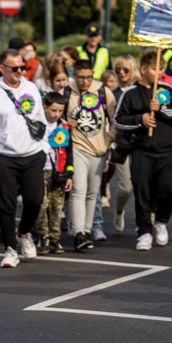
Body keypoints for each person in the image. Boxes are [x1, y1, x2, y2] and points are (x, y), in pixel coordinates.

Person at [0, 48, 50, 269]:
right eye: (14, 68)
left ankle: (24, 232)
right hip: (4, 156)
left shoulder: (31, 88)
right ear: (2, 68)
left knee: (35, 200)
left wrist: (44, 149)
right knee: (6, 205)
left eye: (22, 67)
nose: (19, 71)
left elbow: (40, 121)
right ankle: (10, 249)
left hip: (32, 154)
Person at [114, 48, 172, 251]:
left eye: (161, 69)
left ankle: (161, 222)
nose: (160, 73)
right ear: (144, 69)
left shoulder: (167, 89)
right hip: (142, 151)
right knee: (142, 191)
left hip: (167, 151)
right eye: (155, 69)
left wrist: (162, 109)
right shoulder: (130, 93)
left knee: (171, 186)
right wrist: (141, 119)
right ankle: (144, 231)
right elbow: (118, 120)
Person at [64, 59, 116, 251]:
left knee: (93, 193)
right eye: (80, 78)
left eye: (88, 77)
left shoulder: (103, 91)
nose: (85, 82)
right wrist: (65, 122)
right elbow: (57, 115)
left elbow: (115, 117)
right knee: (78, 190)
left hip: (99, 149)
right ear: (74, 75)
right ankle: (78, 233)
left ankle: (86, 232)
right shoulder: (67, 91)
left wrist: (109, 139)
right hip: (77, 147)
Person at [35, 92, 73, 255]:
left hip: (58, 172)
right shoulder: (36, 124)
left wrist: (69, 174)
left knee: (57, 207)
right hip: (39, 171)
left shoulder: (63, 127)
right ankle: (43, 236)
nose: (56, 114)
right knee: (41, 205)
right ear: (45, 107)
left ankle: (55, 239)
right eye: (53, 110)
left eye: (60, 111)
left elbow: (69, 151)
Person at [106, 54, 139, 233]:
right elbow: (110, 121)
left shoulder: (140, 90)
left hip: (141, 143)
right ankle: (119, 210)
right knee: (125, 186)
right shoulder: (114, 94)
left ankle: (148, 218)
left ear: (133, 70)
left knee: (144, 184)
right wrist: (110, 143)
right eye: (118, 69)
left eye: (125, 69)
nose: (121, 72)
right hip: (122, 143)